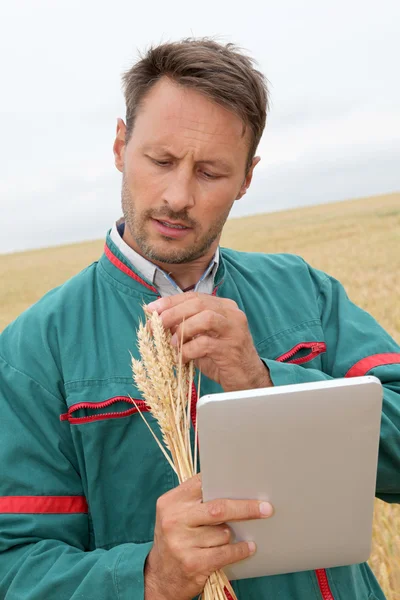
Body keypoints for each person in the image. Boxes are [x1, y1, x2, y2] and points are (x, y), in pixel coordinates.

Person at [0, 38, 399, 600]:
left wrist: (263, 381)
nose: (177, 195)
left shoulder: (304, 293)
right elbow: (13, 564)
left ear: (247, 178)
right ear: (120, 144)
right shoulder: (31, 353)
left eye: (211, 172)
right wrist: (152, 577)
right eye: (160, 161)